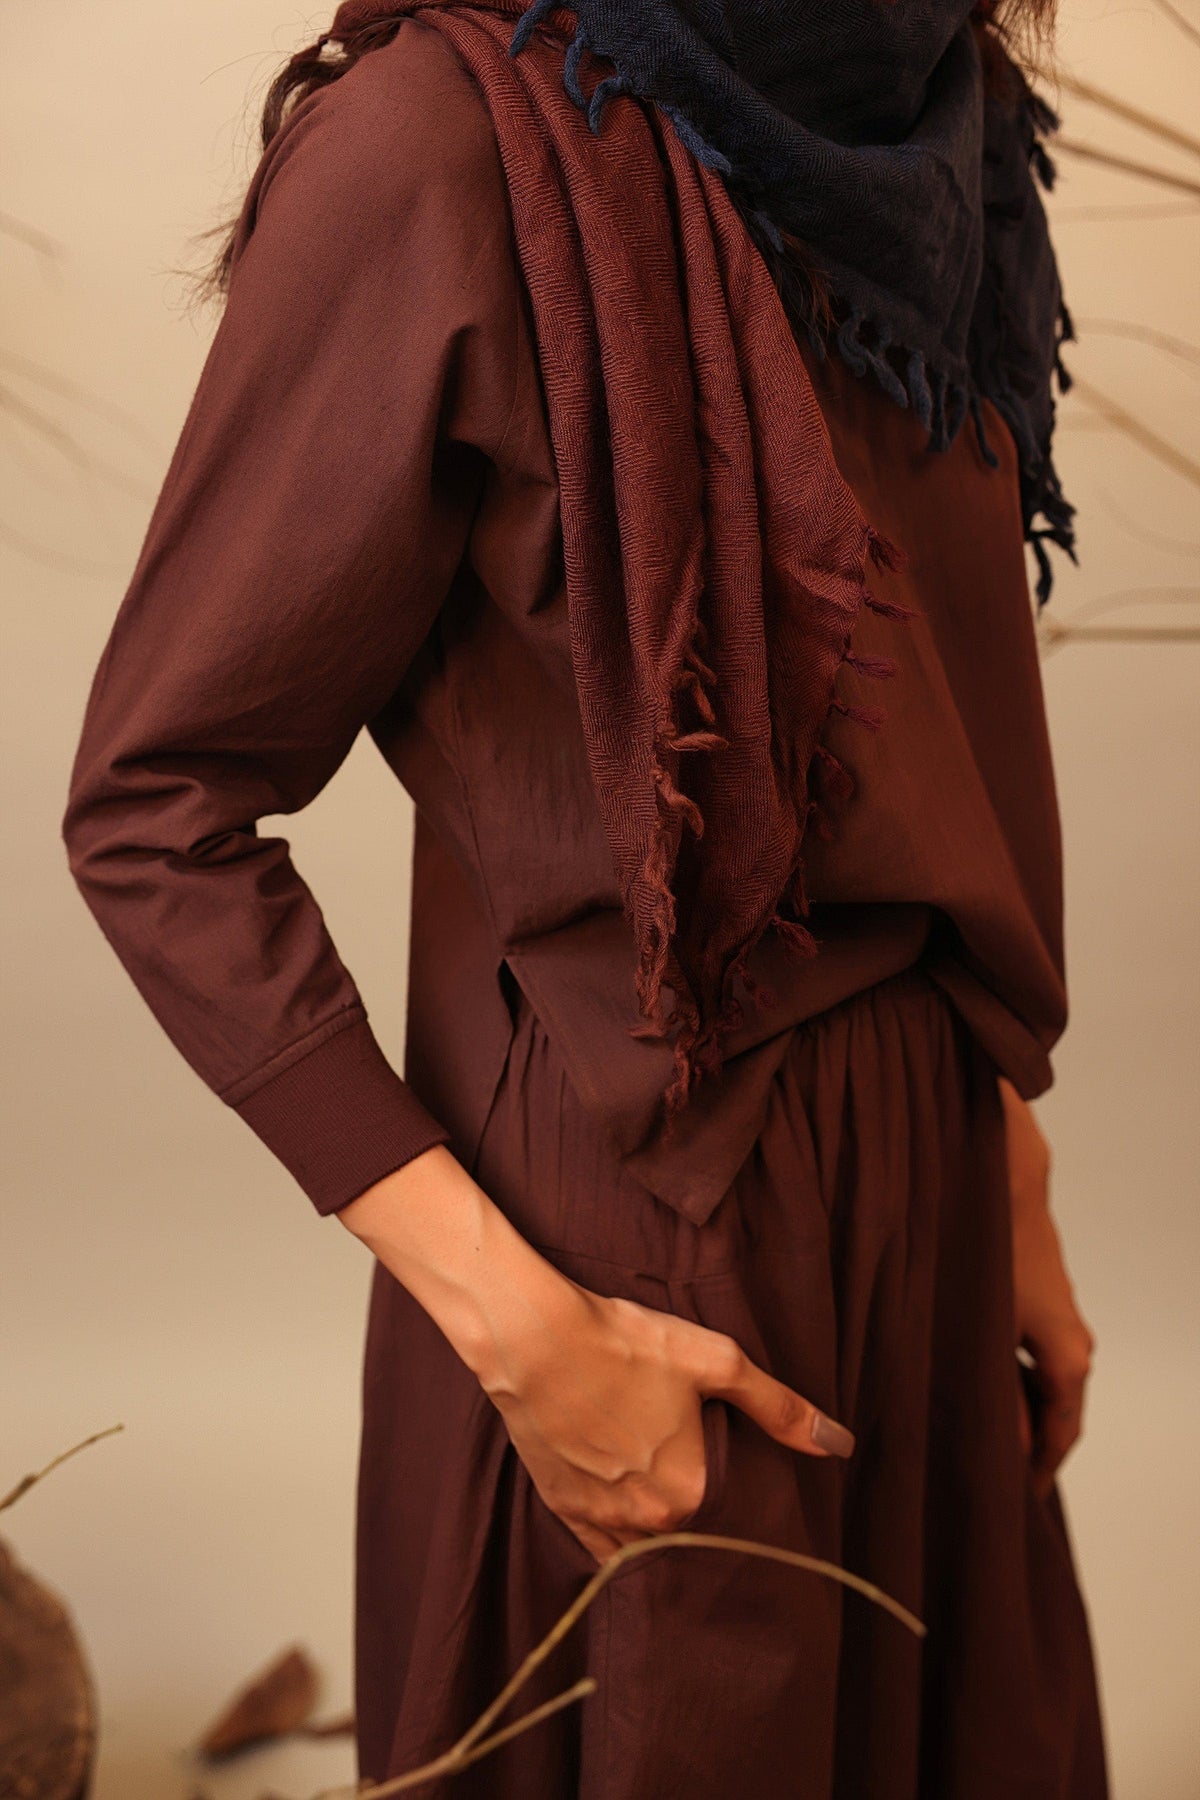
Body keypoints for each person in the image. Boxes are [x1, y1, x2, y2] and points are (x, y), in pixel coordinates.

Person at [61, 1, 1109, 1793]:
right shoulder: (439, 148)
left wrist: (1000, 1144)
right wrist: (515, 1323)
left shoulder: (934, 109)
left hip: (932, 1172)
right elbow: (155, 802)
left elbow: (932, 702)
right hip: (638, 1227)